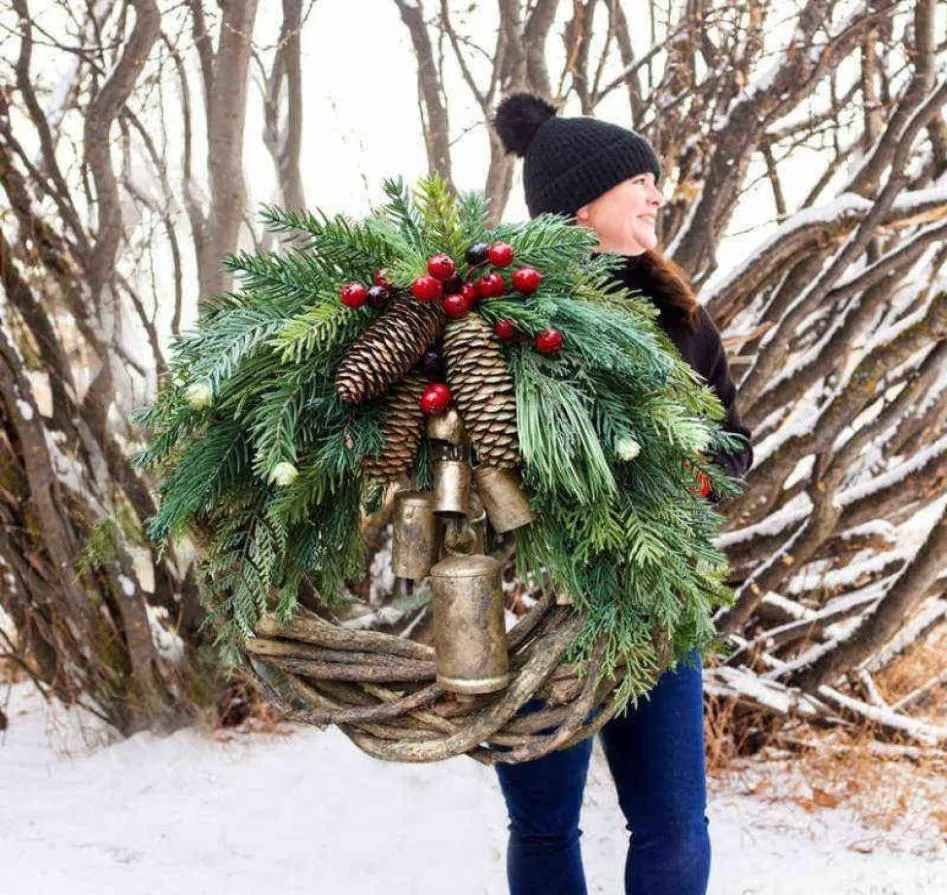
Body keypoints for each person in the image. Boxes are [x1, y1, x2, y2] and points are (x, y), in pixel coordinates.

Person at [489, 93, 754, 895]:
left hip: (653, 605)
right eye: (639, 179)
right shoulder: (502, 310)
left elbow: (733, 443)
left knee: (673, 824)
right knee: (541, 825)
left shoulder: (679, 313)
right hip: (528, 606)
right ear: (581, 199)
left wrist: (684, 483)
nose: (654, 194)